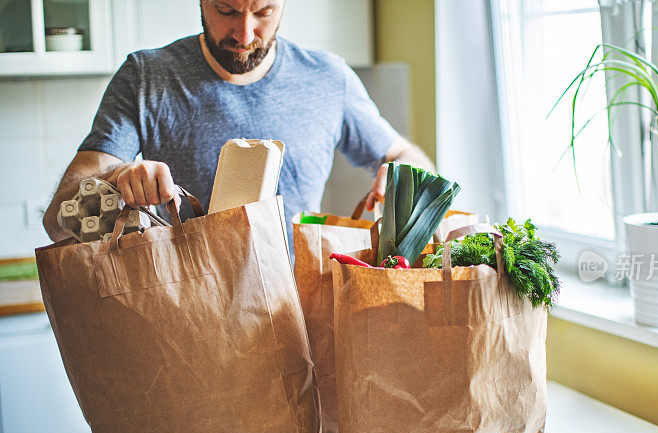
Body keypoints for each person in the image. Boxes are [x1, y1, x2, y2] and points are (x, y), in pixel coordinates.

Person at [42, 0, 434, 248]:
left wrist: (403, 174)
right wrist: (117, 179)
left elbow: (409, 158)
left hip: (306, 325)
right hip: (188, 329)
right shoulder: (146, 77)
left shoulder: (330, 78)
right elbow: (57, 222)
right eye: (226, 10)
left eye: (264, 12)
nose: (244, 35)